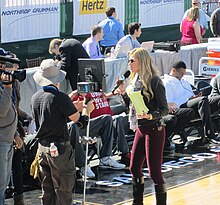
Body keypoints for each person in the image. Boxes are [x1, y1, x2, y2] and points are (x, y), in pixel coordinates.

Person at [31, 59, 94, 205]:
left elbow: (50, 114)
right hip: (59, 150)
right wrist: (86, 109)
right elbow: (80, 122)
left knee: (47, 190)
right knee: (63, 190)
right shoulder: (60, 98)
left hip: (42, 148)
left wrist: (68, 101)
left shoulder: (36, 97)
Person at [119, 48, 169, 205]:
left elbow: (164, 109)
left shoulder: (154, 81)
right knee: (134, 168)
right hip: (141, 128)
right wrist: (123, 93)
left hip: (154, 128)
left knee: (155, 173)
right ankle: (137, 202)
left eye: (132, 60)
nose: (129, 63)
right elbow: (131, 106)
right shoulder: (134, 81)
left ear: (142, 61)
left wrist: (150, 115)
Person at [69, 91, 128, 178]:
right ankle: (83, 165)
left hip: (86, 122)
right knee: (74, 127)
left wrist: (111, 94)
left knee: (107, 118)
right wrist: (73, 99)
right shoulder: (72, 96)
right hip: (73, 126)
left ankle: (105, 158)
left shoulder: (95, 90)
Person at [163, 61, 220, 144]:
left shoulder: (184, 81)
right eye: (181, 73)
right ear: (174, 71)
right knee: (203, 100)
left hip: (193, 102)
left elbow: (191, 94)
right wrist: (188, 99)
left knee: (212, 100)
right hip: (182, 106)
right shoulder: (167, 83)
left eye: (184, 73)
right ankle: (210, 134)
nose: (183, 75)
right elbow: (172, 103)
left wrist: (195, 97)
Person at [3, 53, 32, 205]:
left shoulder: (15, 84)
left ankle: (18, 198)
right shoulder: (4, 85)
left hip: (13, 127)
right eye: (13, 66)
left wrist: (27, 117)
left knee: (17, 164)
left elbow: (15, 107)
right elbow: (3, 110)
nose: (16, 69)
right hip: (5, 133)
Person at [0, 59, 23, 205]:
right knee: (0, 183)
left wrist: (15, 134)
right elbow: (2, 111)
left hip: (7, 138)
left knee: (4, 181)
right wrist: (8, 87)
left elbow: (10, 110)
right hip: (1, 141)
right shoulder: (5, 87)